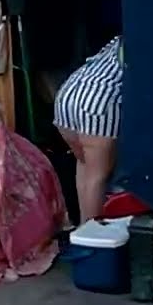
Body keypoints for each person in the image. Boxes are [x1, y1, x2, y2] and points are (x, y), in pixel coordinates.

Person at [53, 34, 123, 223]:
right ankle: (93, 243)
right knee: (96, 178)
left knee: (85, 167)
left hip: (68, 94)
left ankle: (82, 232)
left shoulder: (122, 37)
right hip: (100, 101)